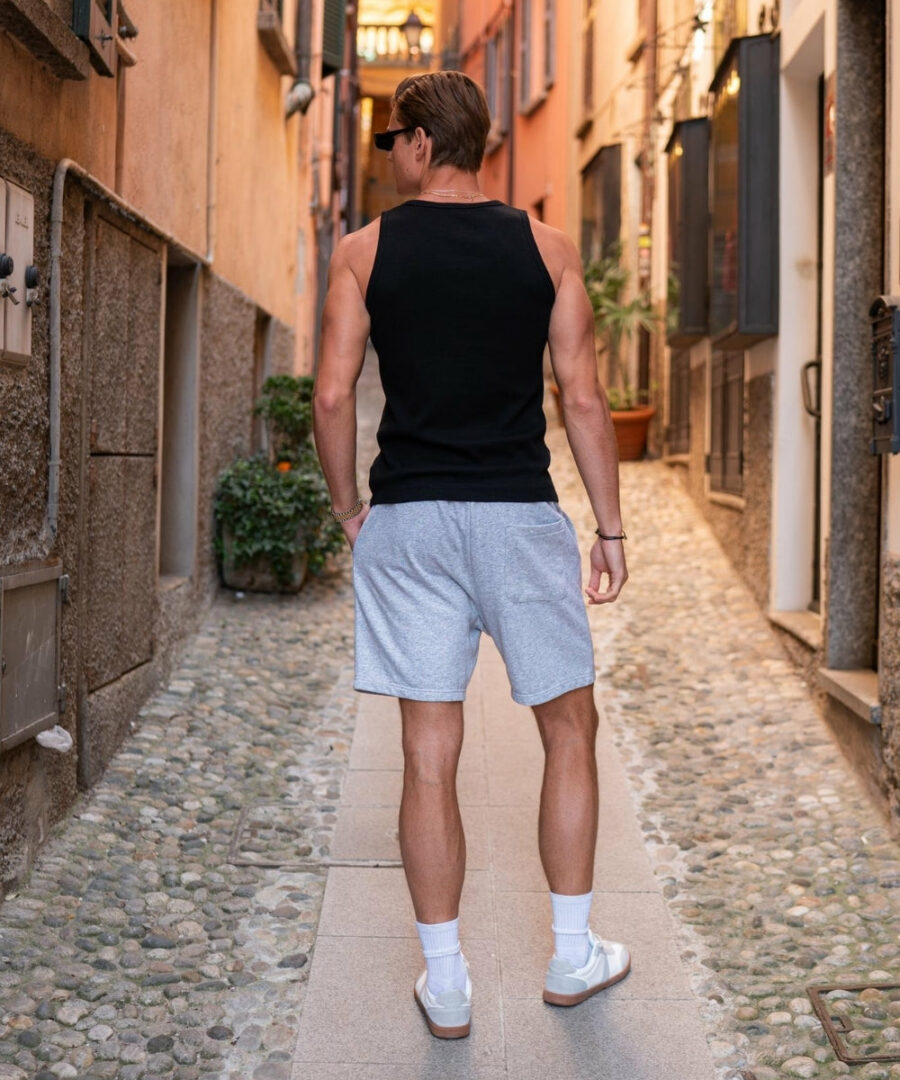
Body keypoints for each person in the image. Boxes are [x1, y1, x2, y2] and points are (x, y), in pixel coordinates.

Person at [313, 70, 631, 1040]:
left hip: (410, 520)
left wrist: (350, 509)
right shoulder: (548, 248)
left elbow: (332, 396)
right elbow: (583, 397)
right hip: (518, 516)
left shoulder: (364, 251)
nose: (390, 157)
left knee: (427, 750)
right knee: (568, 727)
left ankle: (446, 980)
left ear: (420, 142)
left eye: (392, 141)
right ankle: (571, 954)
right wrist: (610, 528)